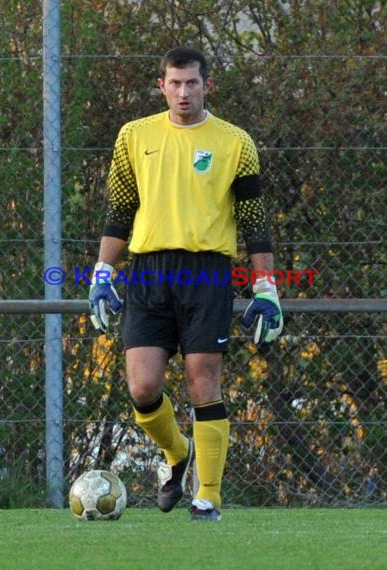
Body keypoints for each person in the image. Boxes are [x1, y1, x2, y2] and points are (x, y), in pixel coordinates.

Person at [88, 46, 283, 521]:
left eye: (192, 83)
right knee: (142, 387)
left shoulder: (236, 141)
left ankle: (208, 496)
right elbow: (119, 211)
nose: (183, 92)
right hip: (150, 272)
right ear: (162, 86)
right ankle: (178, 454)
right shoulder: (134, 135)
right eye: (174, 83)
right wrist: (102, 274)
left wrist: (266, 288)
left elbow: (254, 222)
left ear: (206, 85)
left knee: (203, 384)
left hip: (207, 274)